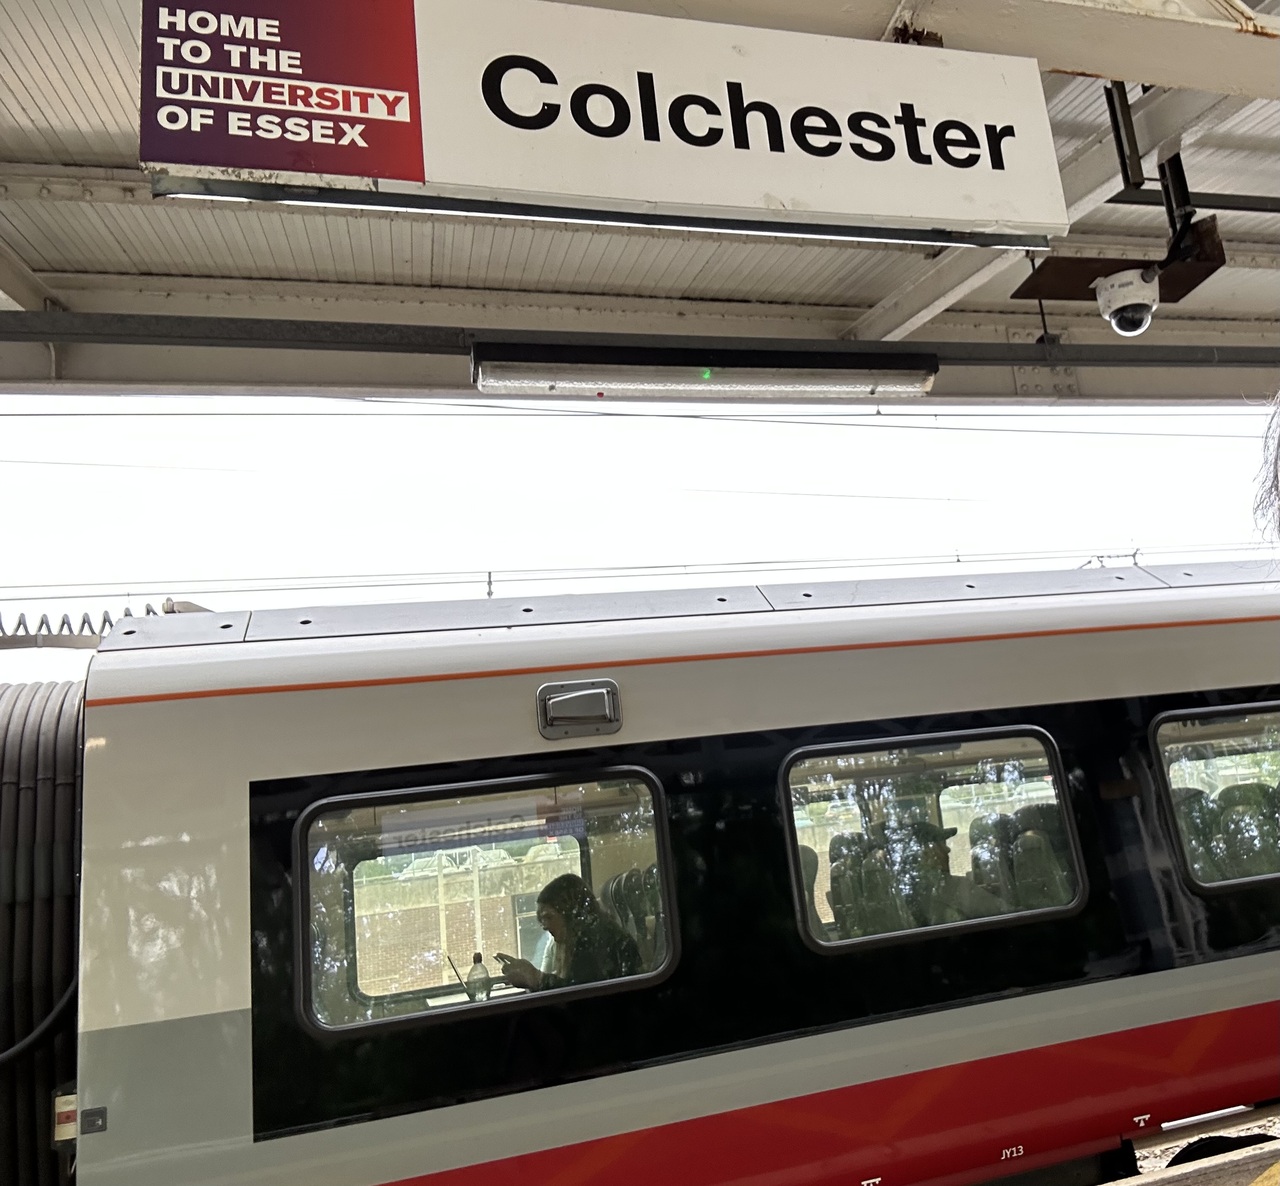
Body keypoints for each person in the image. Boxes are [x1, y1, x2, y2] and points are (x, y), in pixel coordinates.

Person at [497, 873, 642, 991]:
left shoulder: (596, 941)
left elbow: (580, 995)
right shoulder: (572, 941)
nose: (545, 926)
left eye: (549, 917)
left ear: (571, 913)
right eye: (542, 919)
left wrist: (537, 979)